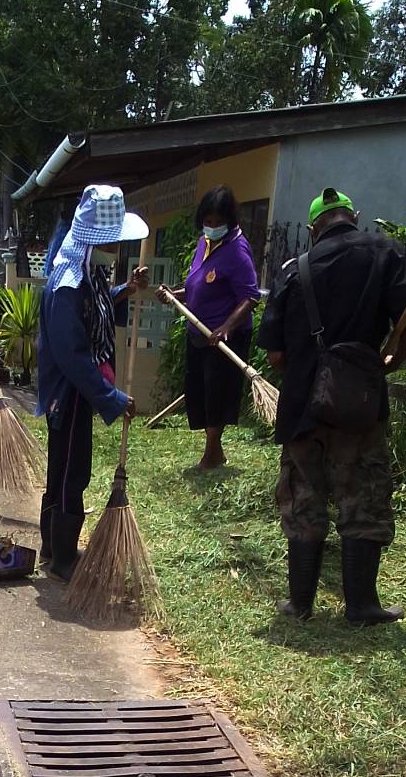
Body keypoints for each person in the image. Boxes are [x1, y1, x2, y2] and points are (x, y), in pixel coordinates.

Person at [256, 187, 406, 625]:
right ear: (353, 216)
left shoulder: (294, 270)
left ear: (314, 227)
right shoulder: (386, 253)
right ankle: (361, 605)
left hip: (302, 406)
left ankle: (299, 604)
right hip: (360, 398)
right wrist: (390, 359)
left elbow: (274, 355)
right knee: (363, 495)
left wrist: (307, 372)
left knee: (303, 496)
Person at [37, 184, 149, 580]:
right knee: (71, 473)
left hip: (77, 393)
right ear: (95, 241)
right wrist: (112, 397)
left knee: (63, 469)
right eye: (114, 243)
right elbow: (73, 356)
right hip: (68, 395)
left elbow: (96, 306)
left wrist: (124, 291)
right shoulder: (67, 284)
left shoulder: (88, 272)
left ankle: (51, 548)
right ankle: (63, 558)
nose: (118, 251)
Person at [156, 185, 259, 471]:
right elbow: (197, 286)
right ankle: (216, 449)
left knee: (217, 392)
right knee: (198, 390)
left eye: (217, 222)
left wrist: (226, 327)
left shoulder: (238, 250)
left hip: (224, 336)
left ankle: (211, 452)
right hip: (198, 330)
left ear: (230, 220)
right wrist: (175, 295)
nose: (212, 227)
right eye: (207, 221)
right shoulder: (204, 243)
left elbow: (251, 296)